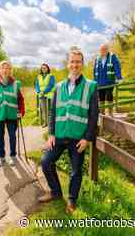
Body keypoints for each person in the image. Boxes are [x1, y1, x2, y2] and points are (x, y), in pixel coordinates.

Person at [38, 48, 99, 214]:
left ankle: (72, 200)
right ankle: (56, 192)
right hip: (59, 136)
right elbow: (52, 112)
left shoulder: (91, 86)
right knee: (46, 162)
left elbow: (94, 116)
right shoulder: (58, 87)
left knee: (76, 171)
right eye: (72, 61)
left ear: (82, 64)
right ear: (68, 64)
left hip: (78, 138)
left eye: (78, 61)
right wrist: (51, 134)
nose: (75, 65)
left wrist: (87, 138)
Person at [0, 61, 25, 167]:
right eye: (3, 68)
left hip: (12, 114)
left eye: (8, 68)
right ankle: (1, 156)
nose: (5, 70)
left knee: (12, 136)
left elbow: (20, 99)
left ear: (10, 70)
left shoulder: (16, 83)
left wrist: (21, 112)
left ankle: (12, 155)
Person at [93, 44, 122, 115]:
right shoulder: (97, 58)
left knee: (109, 95)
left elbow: (117, 67)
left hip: (109, 82)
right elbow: (94, 70)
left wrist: (119, 77)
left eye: (105, 49)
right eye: (102, 50)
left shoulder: (112, 57)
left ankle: (110, 113)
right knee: (101, 97)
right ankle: (102, 113)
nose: (103, 51)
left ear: (107, 50)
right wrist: (94, 81)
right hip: (100, 82)